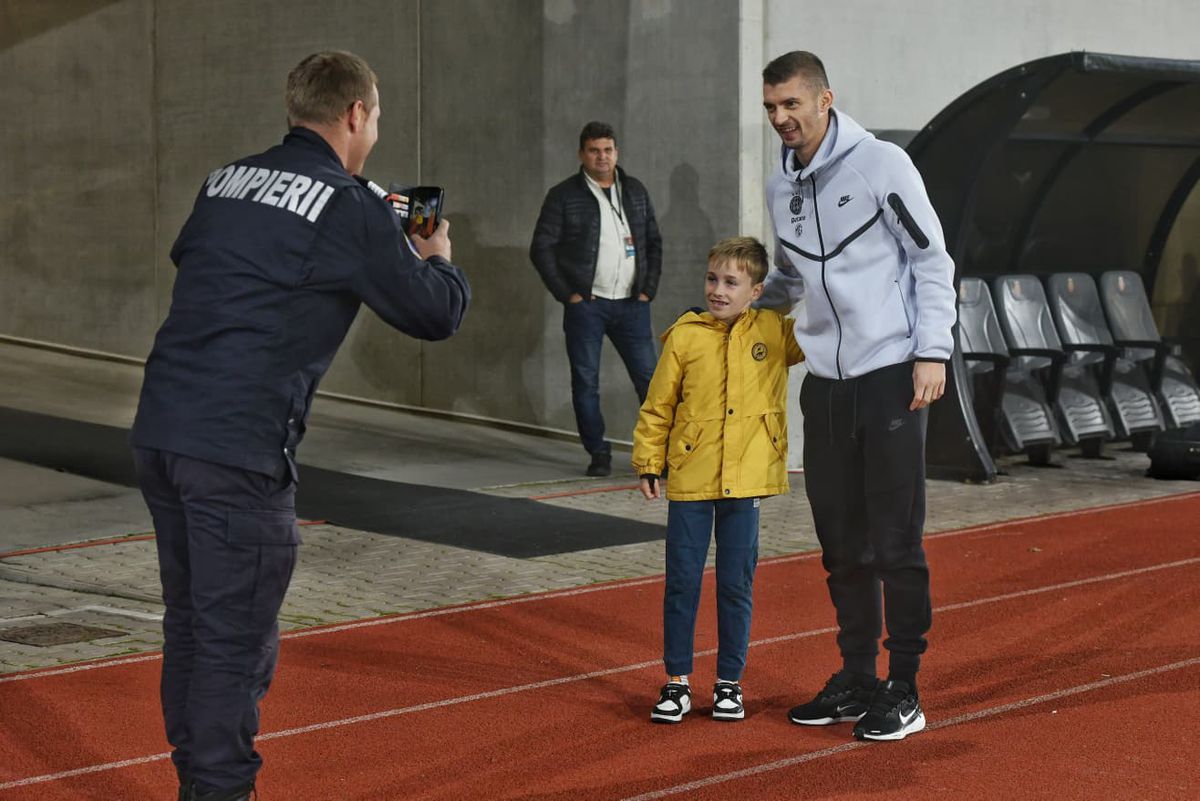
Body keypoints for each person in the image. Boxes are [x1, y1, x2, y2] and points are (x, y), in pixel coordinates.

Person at [130, 51, 471, 801]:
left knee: (190, 624)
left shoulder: (225, 179)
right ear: (356, 115)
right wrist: (436, 256)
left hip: (162, 425)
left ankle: (200, 780)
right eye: (376, 117)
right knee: (232, 641)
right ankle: (219, 790)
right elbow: (432, 312)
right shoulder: (349, 204)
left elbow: (203, 259)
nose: (374, 130)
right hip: (236, 446)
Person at [758, 51, 956, 741]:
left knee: (895, 541)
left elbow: (932, 260)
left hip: (892, 375)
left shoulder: (881, 165)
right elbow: (791, 277)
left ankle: (904, 685)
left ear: (824, 100)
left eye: (791, 105)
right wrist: (747, 299)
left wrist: (933, 350)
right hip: (826, 387)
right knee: (841, 544)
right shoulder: (780, 184)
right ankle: (857, 676)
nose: (781, 119)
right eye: (772, 108)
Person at [632, 237, 803, 723]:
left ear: (756, 290)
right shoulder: (684, 336)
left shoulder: (775, 331)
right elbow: (658, 404)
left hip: (747, 481)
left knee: (736, 583)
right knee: (682, 582)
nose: (718, 290)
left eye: (731, 282)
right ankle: (677, 682)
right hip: (691, 478)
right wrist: (649, 460)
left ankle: (730, 683)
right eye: (713, 279)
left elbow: (828, 331)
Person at [530, 122, 663, 477]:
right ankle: (598, 453)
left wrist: (647, 289)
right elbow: (541, 248)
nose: (602, 157)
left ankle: (659, 456)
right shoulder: (563, 196)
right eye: (594, 150)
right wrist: (568, 295)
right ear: (581, 154)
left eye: (607, 150)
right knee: (586, 382)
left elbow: (653, 241)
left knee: (652, 382)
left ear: (616, 152)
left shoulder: (634, 191)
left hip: (632, 305)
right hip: (587, 306)